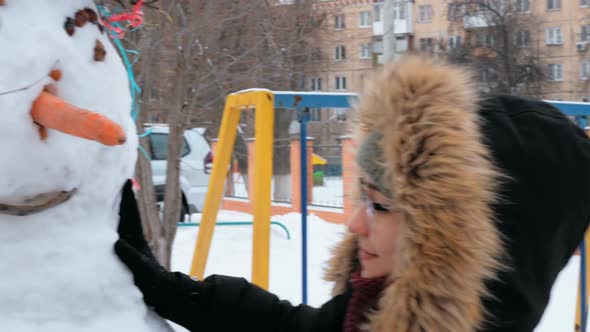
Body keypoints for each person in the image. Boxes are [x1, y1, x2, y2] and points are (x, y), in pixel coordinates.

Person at [115, 56, 590, 331]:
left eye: (382, 205)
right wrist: (174, 292)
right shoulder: (372, 315)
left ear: (469, 247)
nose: (355, 223)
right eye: (365, 198)